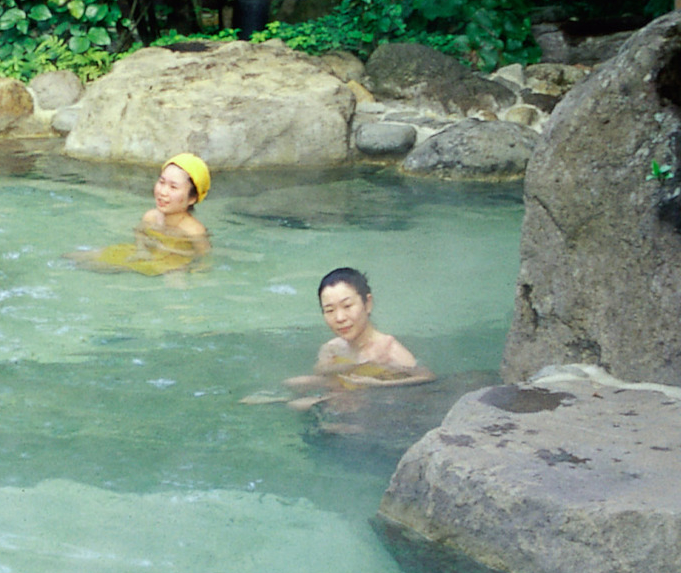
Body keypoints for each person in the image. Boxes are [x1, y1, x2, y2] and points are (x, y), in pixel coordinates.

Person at [243, 266, 430, 404]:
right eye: (330, 310)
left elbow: (427, 378)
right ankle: (280, 398)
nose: (340, 318)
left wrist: (377, 384)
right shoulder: (333, 347)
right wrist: (352, 366)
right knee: (293, 383)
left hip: (372, 402)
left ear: (368, 304)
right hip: (342, 392)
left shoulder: (388, 349)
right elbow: (320, 372)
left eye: (347, 306)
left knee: (300, 405)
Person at [75, 154, 211, 273]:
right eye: (161, 182)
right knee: (83, 256)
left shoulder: (194, 231)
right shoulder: (151, 216)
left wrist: (194, 271)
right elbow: (140, 233)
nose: (163, 192)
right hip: (146, 255)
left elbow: (204, 259)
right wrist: (142, 250)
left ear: (192, 198)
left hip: (173, 265)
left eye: (173, 187)